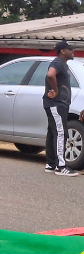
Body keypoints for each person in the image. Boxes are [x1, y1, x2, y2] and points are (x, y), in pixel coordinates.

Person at [43, 41, 82, 176]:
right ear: (63, 51)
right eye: (70, 49)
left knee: (53, 131)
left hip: (57, 104)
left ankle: (50, 164)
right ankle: (61, 166)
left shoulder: (63, 64)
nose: (73, 51)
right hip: (56, 103)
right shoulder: (57, 63)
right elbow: (50, 74)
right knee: (61, 132)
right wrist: (55, 90)